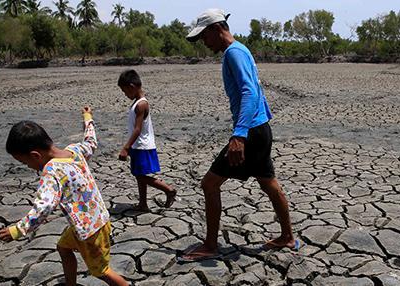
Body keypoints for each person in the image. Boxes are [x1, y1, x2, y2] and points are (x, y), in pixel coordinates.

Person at [178, 8, 297, 262]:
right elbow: (255, 92)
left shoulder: (233, 53)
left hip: (251, 132)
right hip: (261, 128)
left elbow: (249, 93)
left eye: (204, 37)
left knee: (209, 183)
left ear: (216, 29)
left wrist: (240, 135)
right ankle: (288, 237)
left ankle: (210, 245)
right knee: (268, 183)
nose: (204, 43)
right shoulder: (240, 50)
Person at [0, 107, 128, 286]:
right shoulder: (75, 151)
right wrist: (88, 118)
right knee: (63, 248)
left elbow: (44, 206)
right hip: (96, 220)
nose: (28, 167)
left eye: (25, 162)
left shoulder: (51, 171)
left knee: (102, 271)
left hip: (90, 231)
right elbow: (91, 141)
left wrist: (17, 230)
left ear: (35, 155)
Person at [117, 69, 177, 212]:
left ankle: (168, 190)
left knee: (139, 175)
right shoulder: (138, 102)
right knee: (140, 175)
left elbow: (137, 129)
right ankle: (143, 204)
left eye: (125, 92)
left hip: (142, 145)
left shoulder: (141, 104)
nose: (125, 95)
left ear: (132, 86)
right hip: (138, 145)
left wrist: (126, 147)